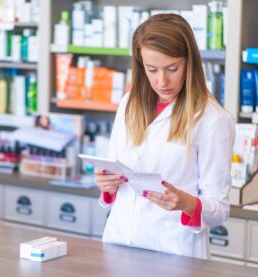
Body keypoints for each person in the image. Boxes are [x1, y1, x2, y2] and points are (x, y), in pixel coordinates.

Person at [95, 14, 235, 259]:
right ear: (140, 66)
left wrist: (187, 203)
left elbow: (220, 209)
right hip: (118, 244)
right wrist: (107, 185)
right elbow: (116, 172)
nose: (162, 81)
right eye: (152, 70)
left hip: (174, 253)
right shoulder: (129, 104)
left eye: (172, 68)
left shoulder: (213, 119)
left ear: (190, 63)